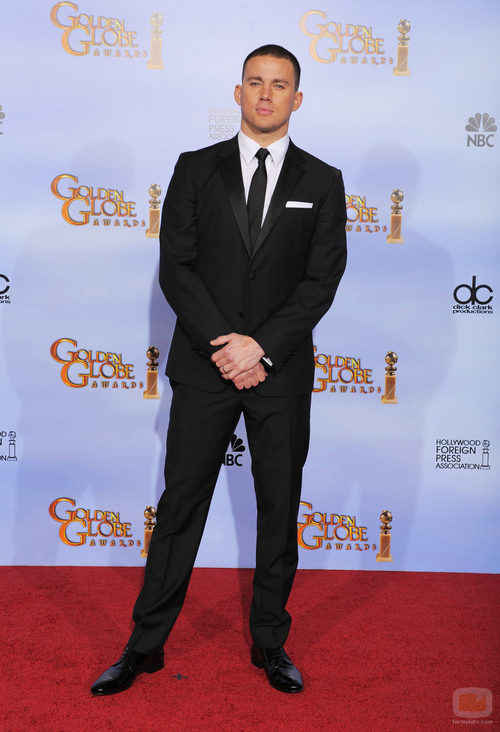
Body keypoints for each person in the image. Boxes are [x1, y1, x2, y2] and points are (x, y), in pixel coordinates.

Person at [91, 43, 347, 696]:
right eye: (255, 82)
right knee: (180, 505)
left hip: (279, 372)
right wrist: (224, 346)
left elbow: (321, 281)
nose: (265, 93)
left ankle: (271, 643)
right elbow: (177, 266)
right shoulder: (195, 168)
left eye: (279, 84)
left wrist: (260, 348)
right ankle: (144, 646)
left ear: (297, 99)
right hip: (205, 368)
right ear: (238, 92)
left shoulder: (323, 181)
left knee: (278, 508)